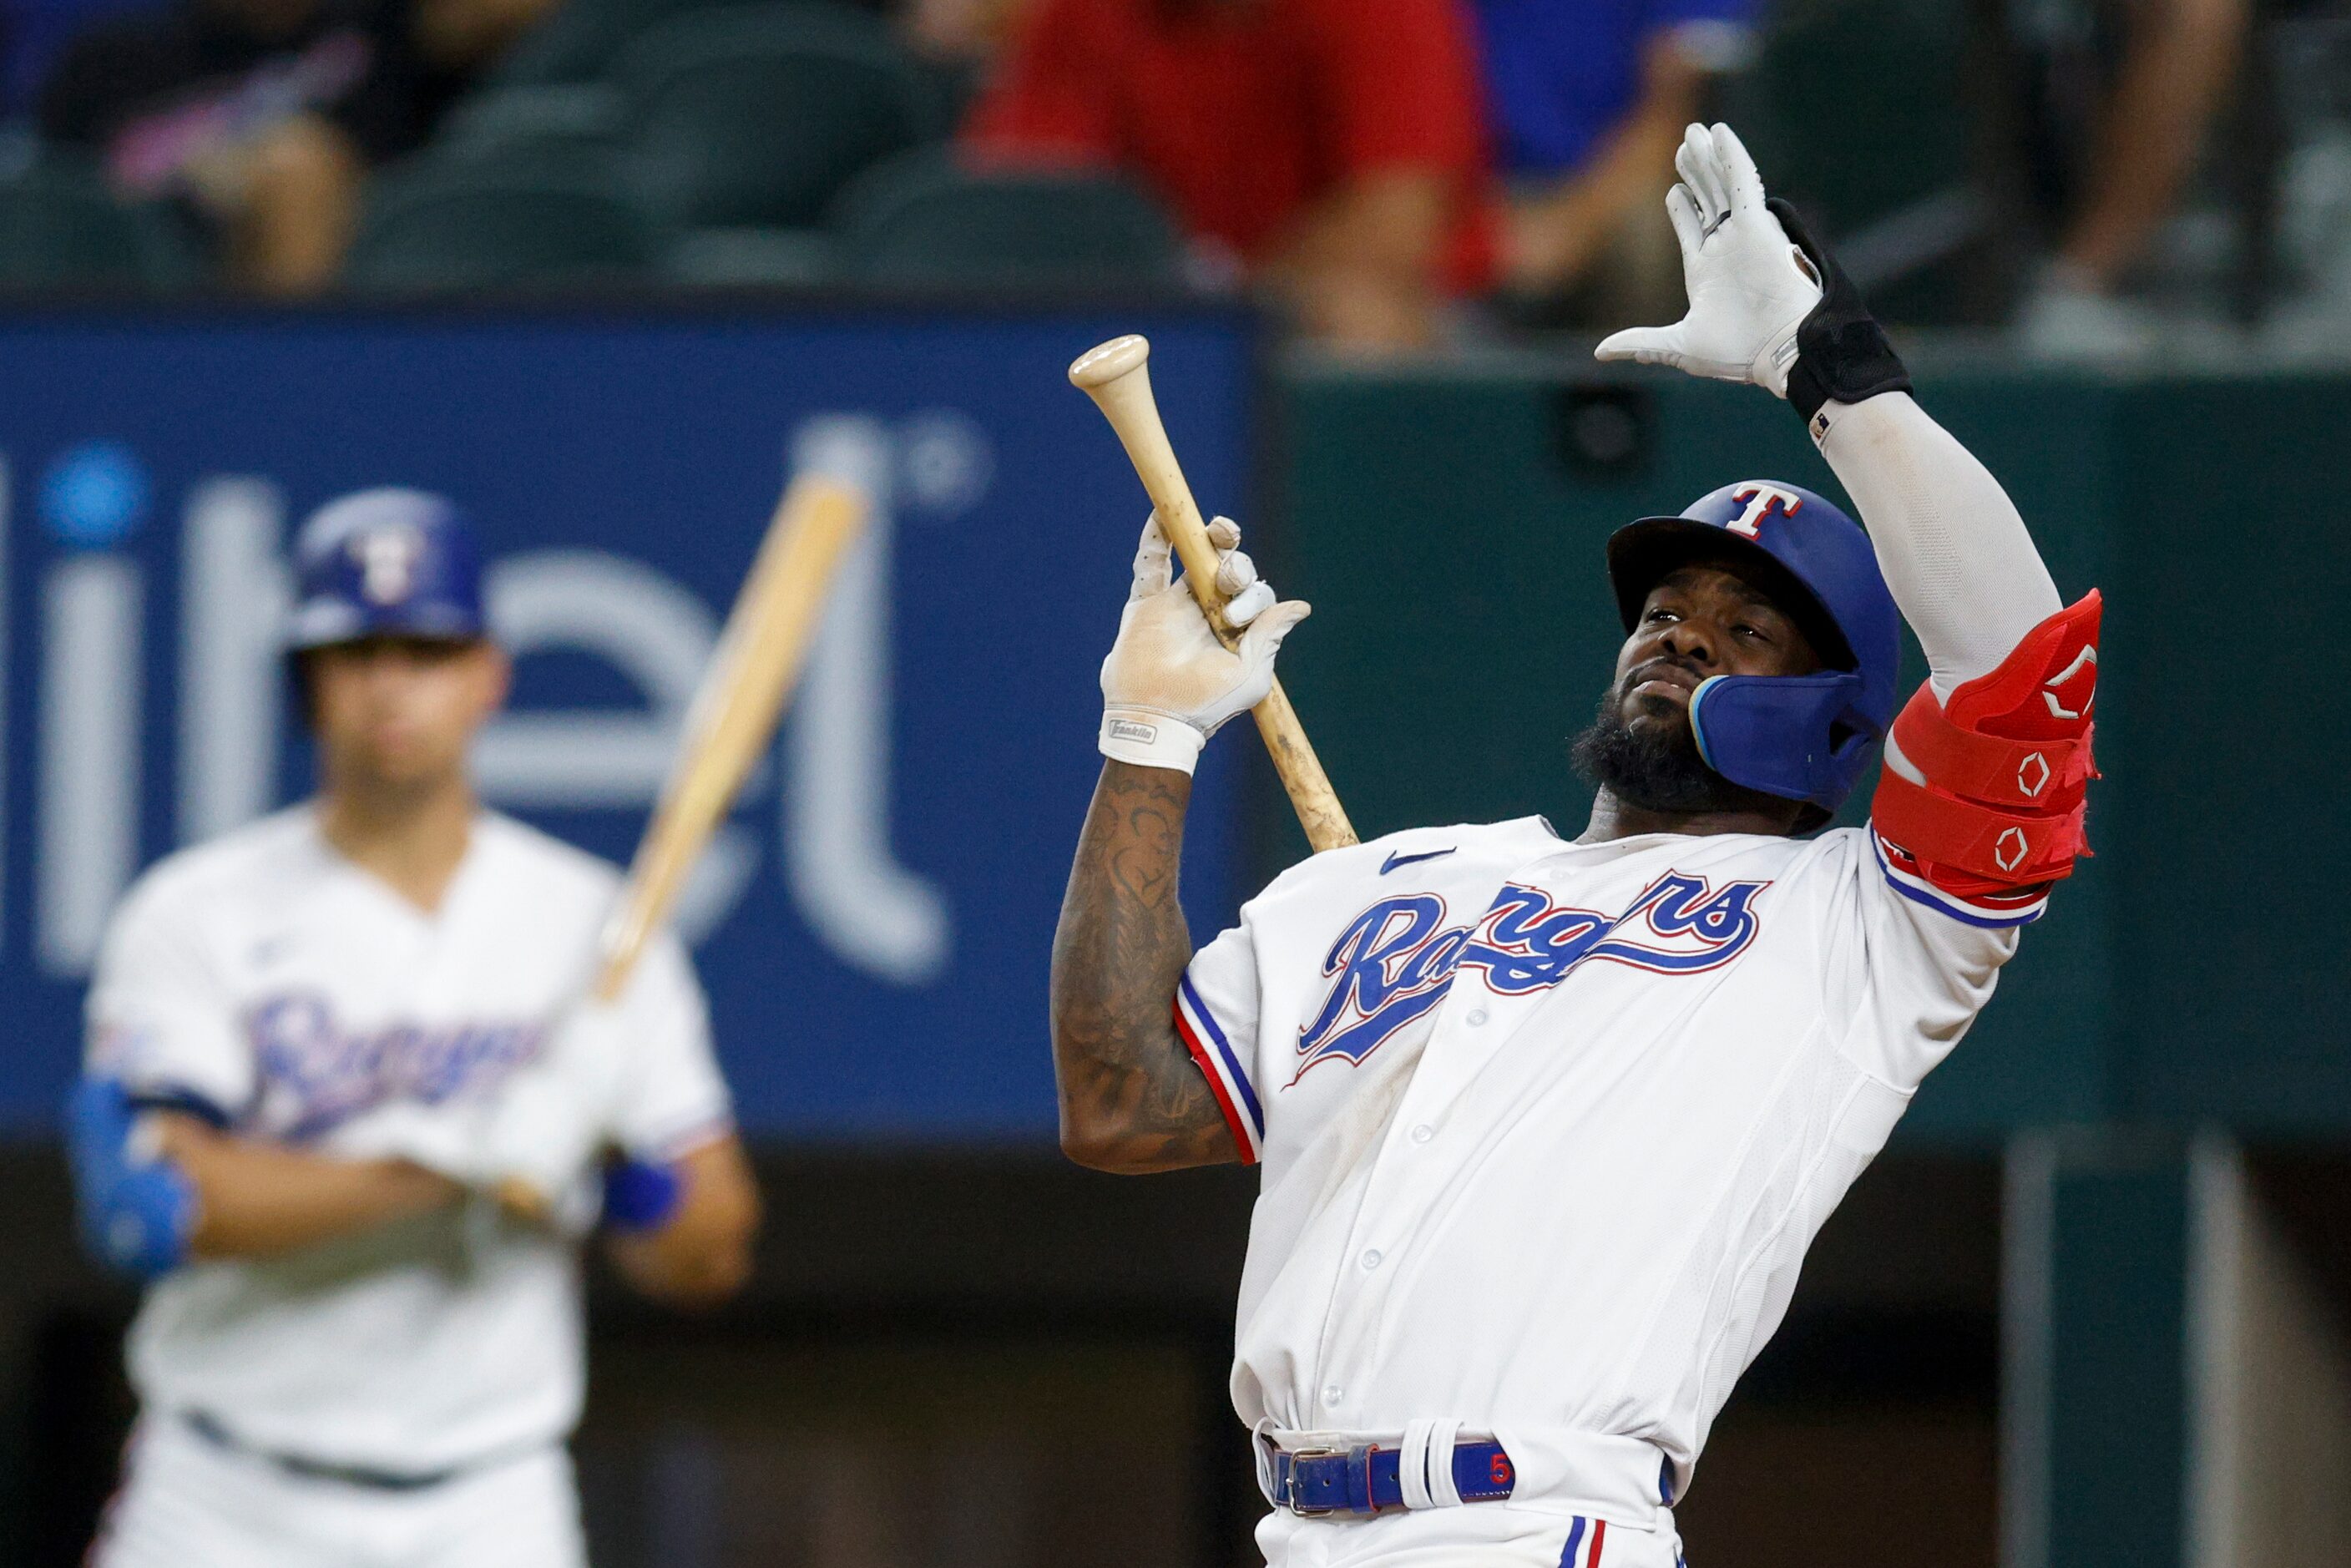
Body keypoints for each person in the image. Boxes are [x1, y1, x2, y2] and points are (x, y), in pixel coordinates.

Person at [1048, 122, 2099, 1565]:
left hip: (1540, 1521)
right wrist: (1147, 742)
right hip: (1297, 1529)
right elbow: (1118, 1102)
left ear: (1833, 715)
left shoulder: (1863, 928)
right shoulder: (1389, 881)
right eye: (1667, 609)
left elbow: (2019, 658)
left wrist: (1830, 373)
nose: (1681, 631)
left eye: (1747, 629)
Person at [66, 488, 760, 1567]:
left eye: (426, 648)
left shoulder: (595, 922)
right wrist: (459, 1166)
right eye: (356, 650)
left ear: (489, 673)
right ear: (309, 680)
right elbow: (160, 1206)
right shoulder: (195, 906)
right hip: (224, 1494)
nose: (391, 682)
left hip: (491, 1501)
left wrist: (617, 1166)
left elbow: (710, 1251)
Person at [962, 0, 1497, 352]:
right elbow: (1017, 207)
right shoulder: (1092, 13)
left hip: (1360, 317)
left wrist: (1225, 302)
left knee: (1361, 317)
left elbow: (1394, 227)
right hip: (1164, 318)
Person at [37, 0, 548, 292]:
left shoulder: (381, 38)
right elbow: (53, 207)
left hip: (330, 292)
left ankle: (284, 384)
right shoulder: (107, 62)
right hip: (141, 307)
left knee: (298, 164)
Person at [1474, 0, 1757, 323]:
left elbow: (1686, 112)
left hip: (1628, 185)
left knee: (1649, 239)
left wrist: (1571, 225)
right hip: (1465, 186)